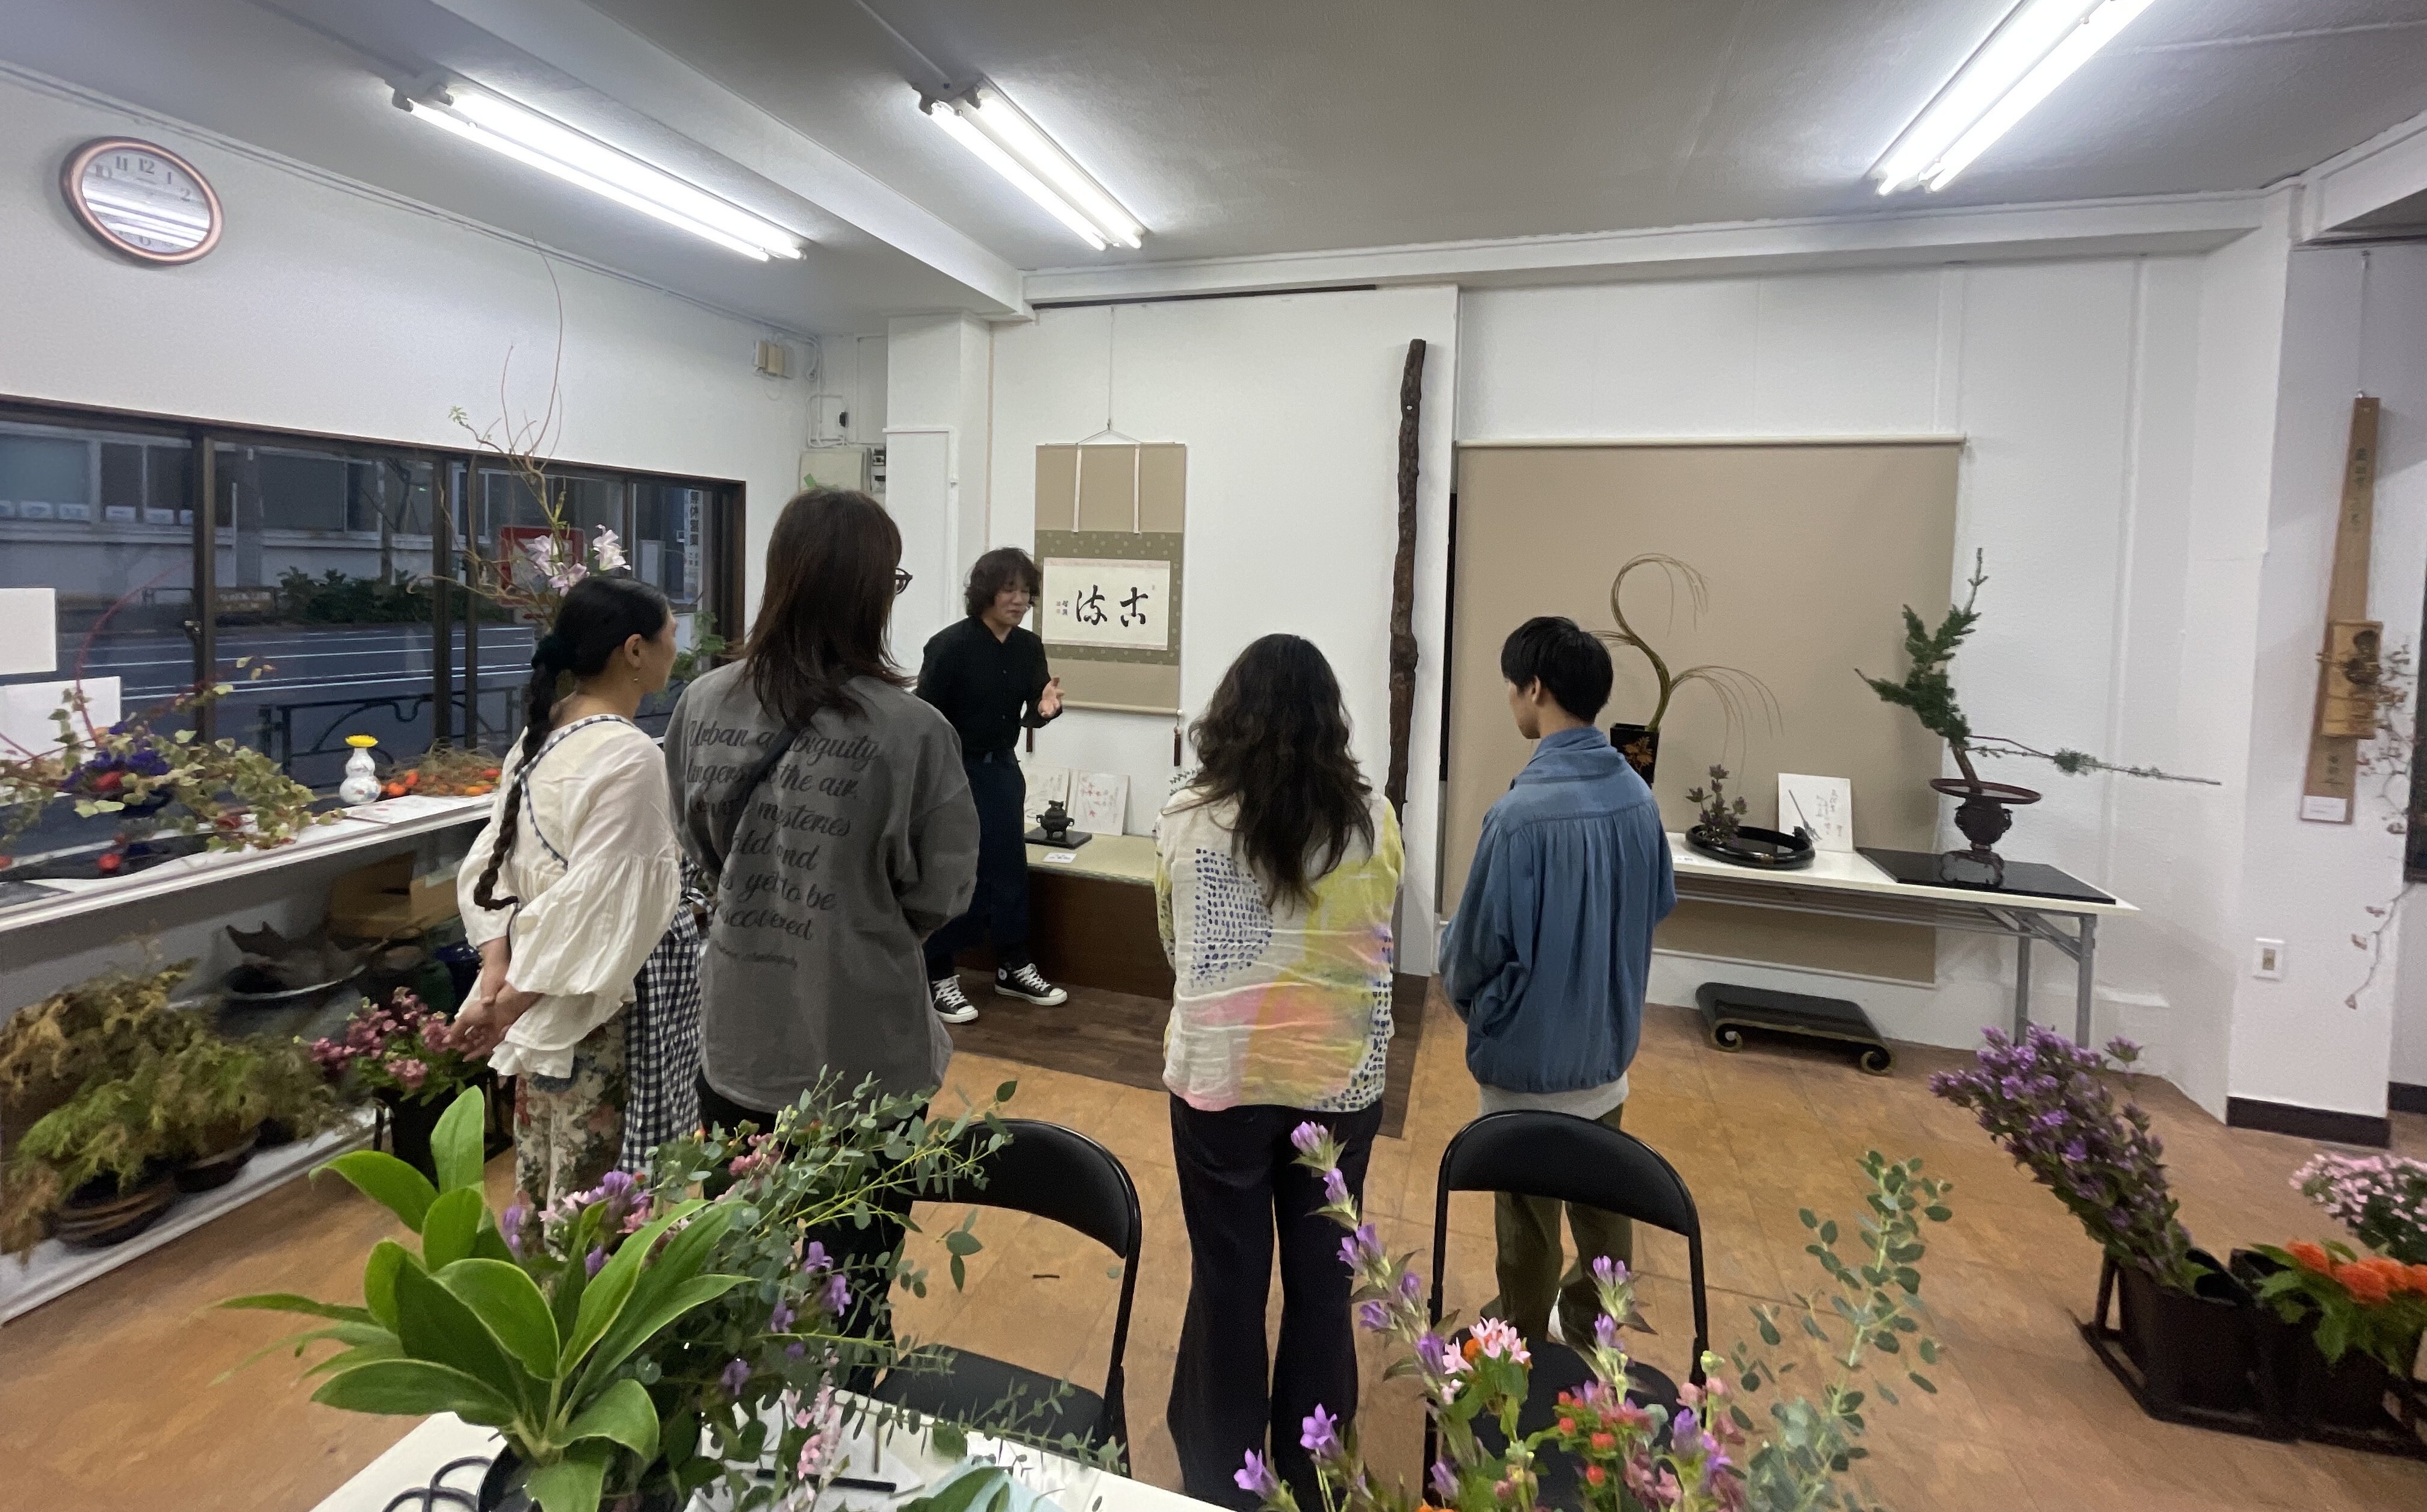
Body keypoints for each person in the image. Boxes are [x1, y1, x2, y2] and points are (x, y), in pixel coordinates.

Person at [662, 487, 979, 1359]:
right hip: (866, 1049)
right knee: (855, 1293)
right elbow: (943, 893)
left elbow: (699, 847)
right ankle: (844, 1430)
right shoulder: (915, 731)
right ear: (872, 592)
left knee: (738, 1284)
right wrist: (856, 920)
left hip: (739, 1039)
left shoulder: (702, 704)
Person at [1156, 634, 1403, 1512]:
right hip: (1339, 1082)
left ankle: (1221, 1476)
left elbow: (1174, 943)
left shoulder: (1187, 815)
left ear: (1228, 716)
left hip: (1220, 1078)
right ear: (1331, 720)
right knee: (1323, 1286)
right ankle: (1315, 1473)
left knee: (1227, 1282)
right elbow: (1379, 937)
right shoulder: (1372, 820)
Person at [1438, 615, 1675, 1347]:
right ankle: (1592, 1344)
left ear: (1535, 689)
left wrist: (1486, 1006)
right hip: (1606, 1053)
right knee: (1604, 1208)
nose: (1511, 698)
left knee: (1528, 1221)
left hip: (1527, 1064)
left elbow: (1468, 955)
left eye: (1512, 686)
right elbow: (1657, 903)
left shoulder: (1517, 819)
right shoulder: (1639, 799)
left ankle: (1520, 1354)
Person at [453, 574, 692, 1210]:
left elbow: (493, 863)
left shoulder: (544, 732)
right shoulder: (630, 756)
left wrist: (499, 976)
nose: (678, 650)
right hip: (598, 1004)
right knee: (603, 1202)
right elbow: (600, 907)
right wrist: (507, 1002)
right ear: (635, 649)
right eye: (672, 635)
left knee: (547, 1182)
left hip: (535, 996)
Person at [914, 546, 1068, 1024]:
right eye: (1009, 590)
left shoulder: (1028, 647)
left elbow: (1036, 706)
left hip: (1001, 768)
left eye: (1025, 591)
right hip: (953, 771)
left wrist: (1045, 711)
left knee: (1008, 866)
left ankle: (1013, 965)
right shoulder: (949, 646)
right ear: (985, 592)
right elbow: (924, 717)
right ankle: (939, 974)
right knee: (952, 869)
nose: (1019, 600)